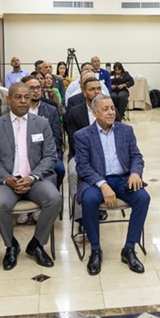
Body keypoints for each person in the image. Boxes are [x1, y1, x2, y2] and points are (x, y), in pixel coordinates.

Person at [0, 82, 62, 270]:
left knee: (54, 199)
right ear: (9, 99)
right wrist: (7, 179)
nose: (23, 101)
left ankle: (37, 244)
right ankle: (11, 245)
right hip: (6, 181)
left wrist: (33, 177)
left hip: (35, 179)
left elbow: (50, 156)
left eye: (26, 97)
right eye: (18, 97)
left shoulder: (41, 123)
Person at [75, 94, 150, 276]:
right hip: (96, 181)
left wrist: (135, 173)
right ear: (95, 113)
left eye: (112, 108)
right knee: (89, 200)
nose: (110, 112)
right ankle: (95, 250)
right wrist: (102, 184)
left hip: (122, 179)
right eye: (105, 109)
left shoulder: (126, 130)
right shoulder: (83, 135)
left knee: (143, 198)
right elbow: (83, 166)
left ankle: (129, 249)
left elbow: (136, 156)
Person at [65, 77, 104, 223]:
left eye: (98, 89)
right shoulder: (75, 112)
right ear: (84, 92)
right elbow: (73, 141)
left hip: (106, 155)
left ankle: (100, 205)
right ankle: (81, 217)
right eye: (92, 89)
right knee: (74, 173)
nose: (96, 92)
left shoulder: (109, 109)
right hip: (79, 155)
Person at [25, 76, 65, 188]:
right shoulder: (20, 110)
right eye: (32, 88)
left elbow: (57, 137)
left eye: (38, 87)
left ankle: (53, 190)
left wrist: (44, 152)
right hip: (24, 153)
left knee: (59, 169)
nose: (36, 91)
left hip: (47, 152)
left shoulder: (51, 110)